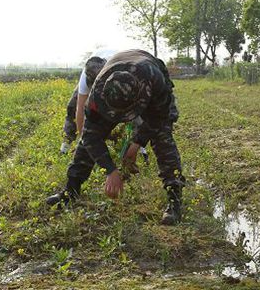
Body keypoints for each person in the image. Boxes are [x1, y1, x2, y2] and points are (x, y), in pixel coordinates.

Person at [47, 49, 185, 225]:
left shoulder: (155, 81)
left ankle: (174, 200)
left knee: (162, 137)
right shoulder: (99, 89)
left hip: (151, 92)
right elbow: (89, 136)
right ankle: (70, 191)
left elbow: (159, 118)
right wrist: (110, 170)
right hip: (116, 94)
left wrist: (136, 143)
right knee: (91, 137)